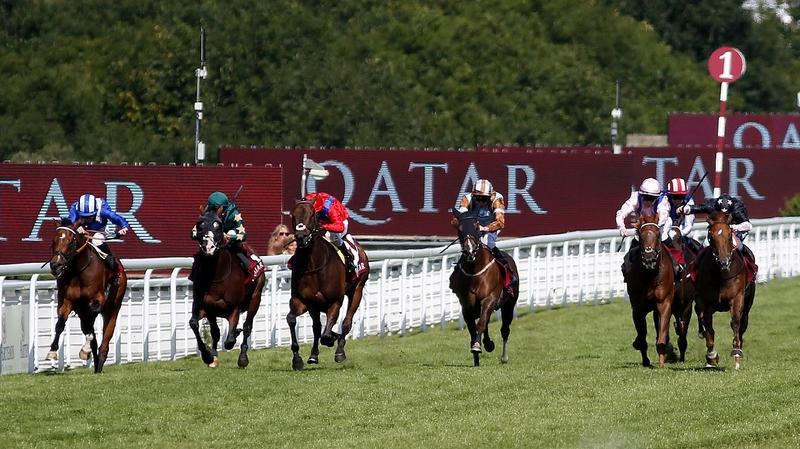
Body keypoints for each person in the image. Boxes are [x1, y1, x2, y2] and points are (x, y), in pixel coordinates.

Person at [451, 178, 517, 287]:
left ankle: (508, 271)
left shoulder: (497, 199)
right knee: (469, 244)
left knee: (488, 243)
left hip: (491, 225)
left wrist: (486, 228)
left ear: (490, 197)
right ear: (473, 196)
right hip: (474, 225)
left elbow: (500, 223)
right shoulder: (467, 199)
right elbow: (455, 221)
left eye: (484, 199)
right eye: (478, 198)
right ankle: (456, 274)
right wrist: (467, 227)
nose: (481, 202)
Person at [615, 177, 685, 281]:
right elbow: (621, 213)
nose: (648, 202)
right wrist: (622, 228)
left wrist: (655, 227)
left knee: (664, 237)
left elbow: (663, 215)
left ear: (657, 197)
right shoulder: (635, 198)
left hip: (660, 224)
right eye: (645, 198)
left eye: (651, 199)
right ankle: (627, 267)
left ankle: (677, 264)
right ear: (641, 195)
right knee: (636, 241)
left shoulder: (662, 200)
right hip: (643, 225)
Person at [68, 193, 130, 282]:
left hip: (99, 229)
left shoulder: (103, 209)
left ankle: (114, 269)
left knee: (97, 242)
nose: (87, 220)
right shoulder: (75, 208)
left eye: (90, 217)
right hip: (82, 230)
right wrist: (76, 227)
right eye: (84, 217)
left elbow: (115, 218)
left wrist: (124, 227)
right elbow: (70, 223)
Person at [191, 191, 255, 276]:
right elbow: (193, 233)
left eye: (217, 209)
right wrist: (202, 235)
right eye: (213, 209)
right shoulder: (206, 213)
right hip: (214, 237)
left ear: (224, 208)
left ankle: (249, 268)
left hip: (231, 234)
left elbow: (243, 236)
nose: (215, 213)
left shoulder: (234, 213)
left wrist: (229, 237)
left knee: (236, 242)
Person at [680, 193, 755, 262]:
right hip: (717, 230)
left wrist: (733, 227)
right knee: (705, 245)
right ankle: (696, 266)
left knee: (739, 246)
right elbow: (698, 208)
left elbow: (748, 226)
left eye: (726, 216)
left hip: (736, 230)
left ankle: (750, 264)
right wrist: (684, 209)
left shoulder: (738, 208)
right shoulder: (711, 205)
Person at [303, 192, 359, 274]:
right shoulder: (306, 202)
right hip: (322, 223)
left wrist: (324, 227)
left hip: (340, 222)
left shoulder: (331, 209)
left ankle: (349, 258)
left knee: (332, 237)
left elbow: (340, 227)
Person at [666, 177, 699, 253]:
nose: (677, 201)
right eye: (675, 197)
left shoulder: (689, 201)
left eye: (680, 198)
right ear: (670, 195)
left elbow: (688, 226)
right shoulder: (664, 198)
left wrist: (679, 233)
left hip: (681, 229)